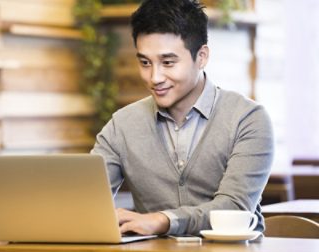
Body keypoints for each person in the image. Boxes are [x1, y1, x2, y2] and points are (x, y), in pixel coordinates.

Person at [91, 0, 274, 236]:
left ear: (202, 56)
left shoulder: (248, 120)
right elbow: (87, 201)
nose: (154, 77)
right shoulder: (122, 125)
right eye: (145, 63)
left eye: (168, 62)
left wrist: (163, 220)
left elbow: (235, 208)